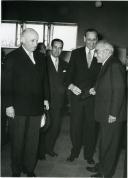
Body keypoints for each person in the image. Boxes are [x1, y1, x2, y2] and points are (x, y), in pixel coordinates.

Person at [5, 28, 49, 177]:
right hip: (18, 108)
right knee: (17, 141)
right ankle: (16, 170)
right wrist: (8, 105)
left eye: (37, 40)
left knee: (33, 142)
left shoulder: (41, 58)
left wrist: (46, 99)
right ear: (22, 40)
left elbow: (45, 81)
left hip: (36, 107)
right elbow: (6, 83)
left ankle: (29, 168)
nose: (36, 43)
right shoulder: (12, 57)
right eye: (32, 40)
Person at [87, 40, 126, 178]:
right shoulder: (107, 63)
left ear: (106, 52)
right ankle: (102, 166)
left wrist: (113, 114)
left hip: (112, 114)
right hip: (106, 112)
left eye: (97, 51)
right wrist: (96, 89)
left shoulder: (114, 65)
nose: (95, 53)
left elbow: (119, 90)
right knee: (104, 143)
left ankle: (105, 173)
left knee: (109, 145)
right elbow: (107, 83)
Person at [65, 29, 101, 164]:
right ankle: (74, 152)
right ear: (84, 39)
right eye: (89, 39)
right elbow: (68, 75)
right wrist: (71, 86)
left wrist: (97, 88)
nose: (92, 42)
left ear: (97, 40)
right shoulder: (75, 53)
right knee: (75, 127)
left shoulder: (100, 53)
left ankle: (89, 155)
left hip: (93, 98)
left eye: (94, 39)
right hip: (77, 98)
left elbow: (102, 77)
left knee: (91, 128)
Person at [38, 38, 67, 157]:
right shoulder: (42, 61)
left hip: (59, 103)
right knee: (43, 127)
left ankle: (49, 149)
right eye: (55, 47)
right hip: (45, 101)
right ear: (50, 48)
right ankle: (39, 152)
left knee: (55, 127)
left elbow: (67, 82)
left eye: (60, 48)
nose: (57, 50)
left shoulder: (65, 64)